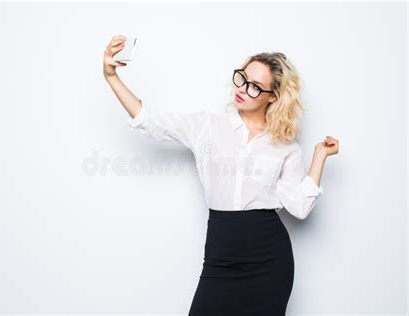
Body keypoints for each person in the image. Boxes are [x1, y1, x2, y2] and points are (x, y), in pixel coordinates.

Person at [103, 35, 339, 315]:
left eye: (255, 87)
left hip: (269, 261)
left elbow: (299, 208)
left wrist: (319, 157)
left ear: (272, 97)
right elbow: (149, 121)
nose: (242, 88)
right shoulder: (207, 126)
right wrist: (111, 76)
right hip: (220, 255)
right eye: (242, 78)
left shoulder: (285, 146)